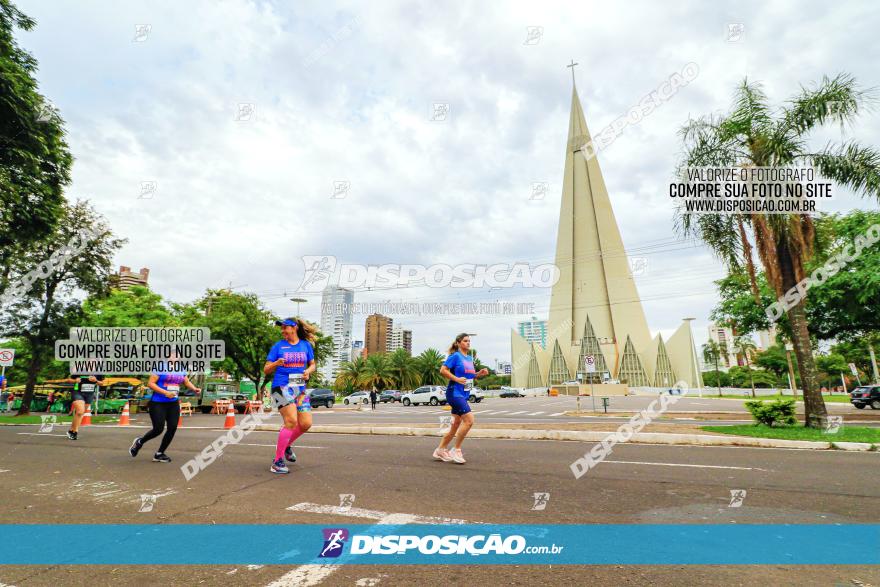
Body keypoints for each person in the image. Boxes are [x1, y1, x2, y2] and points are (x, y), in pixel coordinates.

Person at [264, 317, 317, 474]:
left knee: (306, 423)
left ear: (294, 328)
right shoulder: (278, 346)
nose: (282, 331)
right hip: (280, 388)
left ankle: (286, 445)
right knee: (291, 420)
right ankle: (277, 462)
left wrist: (308, 371)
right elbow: (266, 369)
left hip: (299, 389)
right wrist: (275, 363)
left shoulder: (305, 345)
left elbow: (312, 364)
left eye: (285, 327)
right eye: (281, 328)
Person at [433, 333, 488, 464]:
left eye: (469, 341)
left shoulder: (469, 358)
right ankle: (456, 449)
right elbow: (443, 370)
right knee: (469, 420)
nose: (468, 343)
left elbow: (469, 376)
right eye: (465, 341)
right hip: (454, 393)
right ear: (458, 343)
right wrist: (456, 379)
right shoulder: (455, 356)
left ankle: (440, 450)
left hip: (464, 394)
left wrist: (479, 374)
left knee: (455, 425)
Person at [129, 362, 200, 462]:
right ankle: (140, 442)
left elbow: (186, 381)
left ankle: (159, 453)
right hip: (158, 403)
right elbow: (150, 383)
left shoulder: (180, 368)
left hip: (173, 403)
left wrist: (194, 388)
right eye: (172, 353)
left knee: (172, 428)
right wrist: (166, 392)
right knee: (158, 429)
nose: (175, 355)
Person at [65, 373, 105, 440]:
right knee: (80, 411)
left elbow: (102, 383)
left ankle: (71, 430)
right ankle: (75, 432)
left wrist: (96, 381)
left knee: (80, 413)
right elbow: (69, 380)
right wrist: (75, 380)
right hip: (78, 392)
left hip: (89, 394)